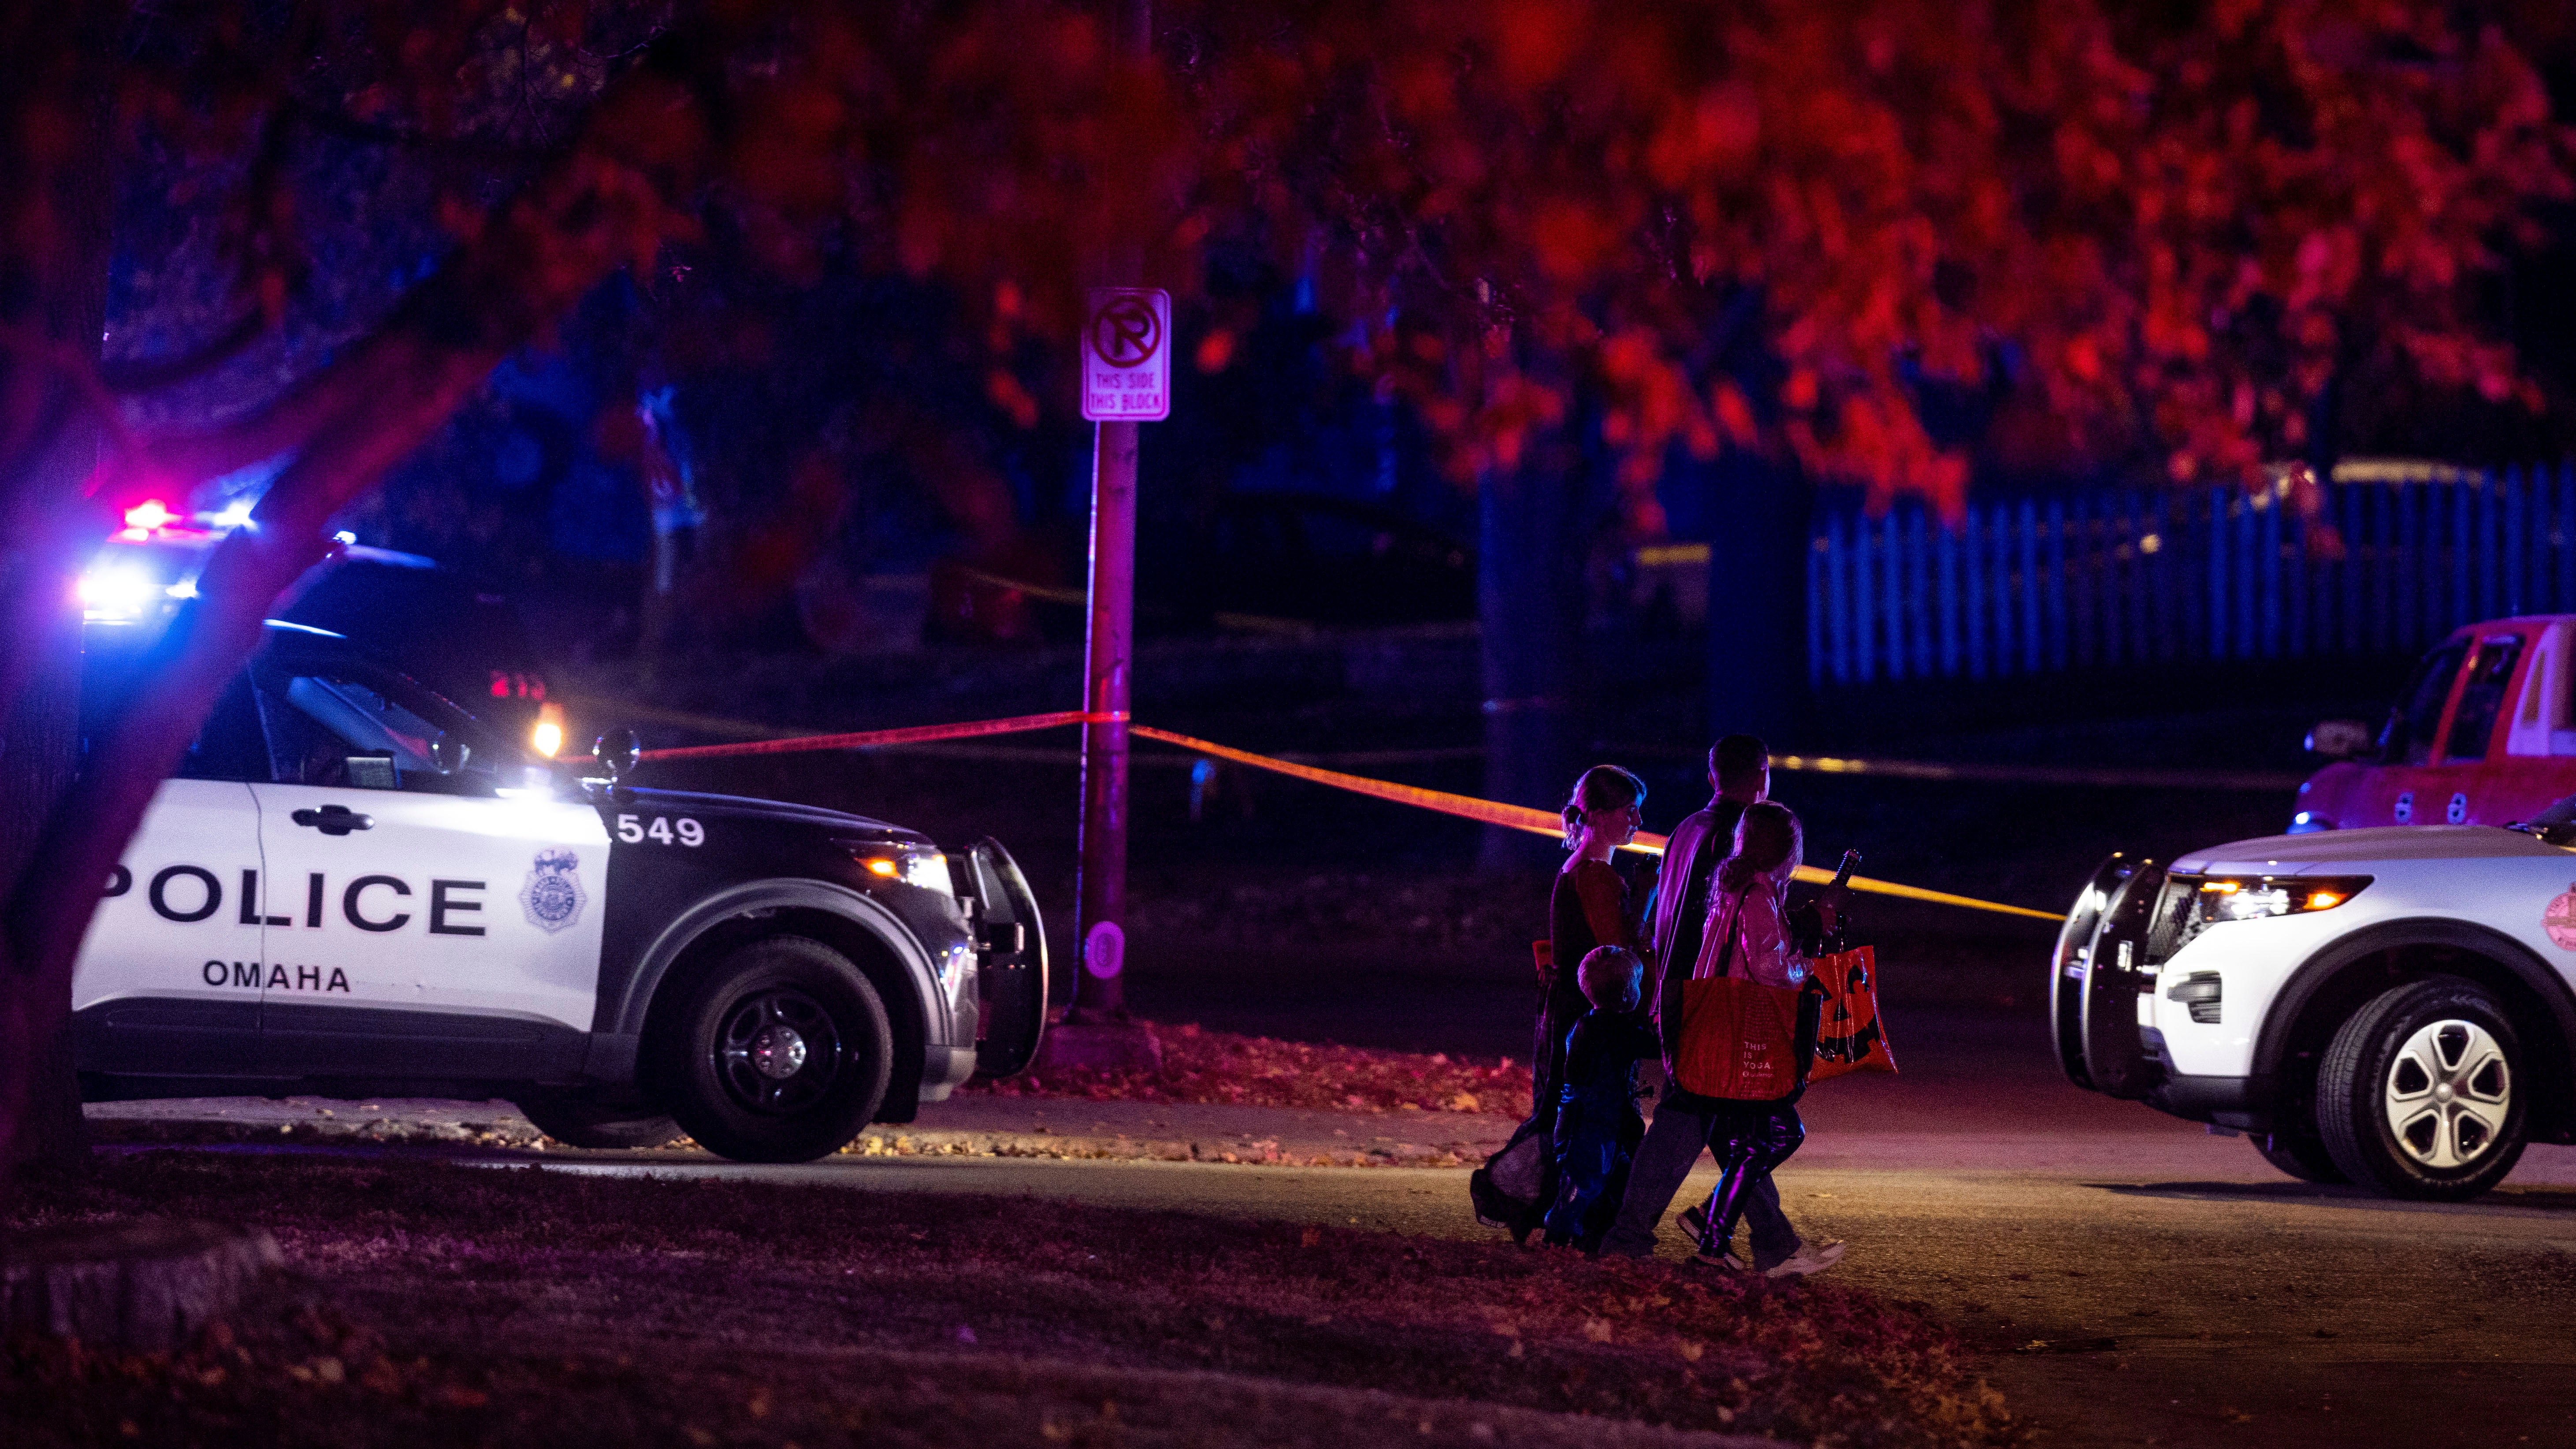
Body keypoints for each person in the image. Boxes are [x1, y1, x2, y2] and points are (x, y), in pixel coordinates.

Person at [1600, 801, 1846, 1277]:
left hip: (1708, 1026)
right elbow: (1768, 966)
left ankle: (1736, 1241)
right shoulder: (1757, 895)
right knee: (1774, 1133)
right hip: (1736, 1036)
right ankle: (1705, 1234)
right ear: (1786, 852)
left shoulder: (1730, 885)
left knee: (1741, 1139)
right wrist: (1810, 969)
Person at [1641, 734, 1801, 1266]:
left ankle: (1771, 1244)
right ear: (1762, 777)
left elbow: (1661, 912)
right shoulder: (1736, 839)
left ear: (1712, 775)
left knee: (1730, 1125)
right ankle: (1628, 1237)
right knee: (1692, 1120)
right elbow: (1734, 930)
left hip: (1674, 986)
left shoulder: (1685, 829)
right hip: (1710, 998)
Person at [1539, 945, 1657, 1250]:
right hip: (1593, 1123)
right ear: (1627, 994)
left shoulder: (1585, 1024)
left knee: (1601, 1177)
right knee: (1584, 1180)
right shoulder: (1617, 1031)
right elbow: (1654, 1047)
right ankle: (1558, 1232)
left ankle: (1585, 1232)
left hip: (1586, 1119)